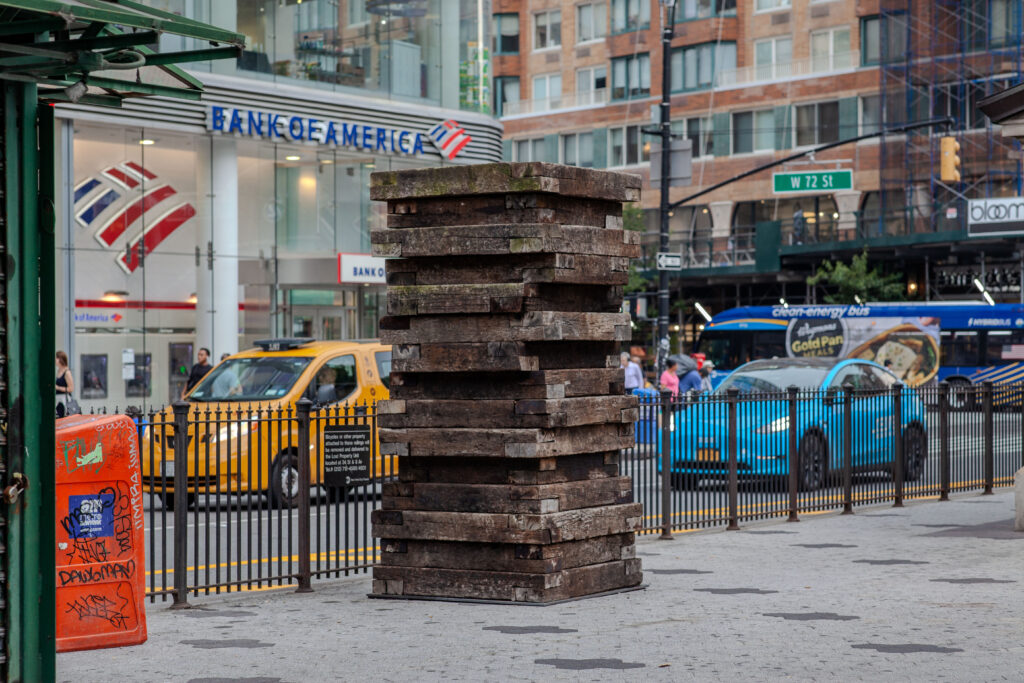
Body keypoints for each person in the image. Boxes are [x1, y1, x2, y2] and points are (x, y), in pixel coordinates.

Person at [55, 350, 75, 417]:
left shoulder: (67, 372)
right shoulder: (58, 371)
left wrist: (58, 387)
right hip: (58, 400)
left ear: (60, 359)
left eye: (56, 358)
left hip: (64, 400)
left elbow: (71, 388)